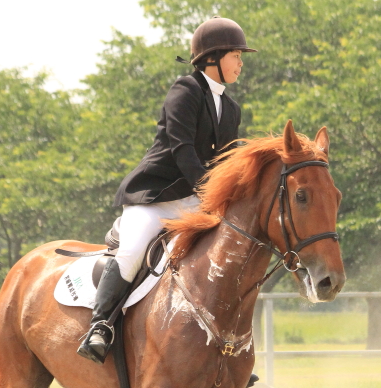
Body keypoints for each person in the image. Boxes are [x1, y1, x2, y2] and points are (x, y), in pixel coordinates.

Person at [77, 17, 256, 363]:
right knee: (132, 251)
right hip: (156, 198)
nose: (240, 63)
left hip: (196, 202)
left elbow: (228, 161)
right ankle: (100, 326)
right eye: (236, 55)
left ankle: (229, 346)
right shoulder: (185, 90)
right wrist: (210, 193)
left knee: (227, 256)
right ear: (213, 58)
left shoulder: (231, 108)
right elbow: (181, 148)